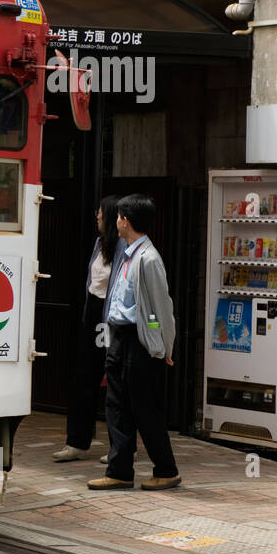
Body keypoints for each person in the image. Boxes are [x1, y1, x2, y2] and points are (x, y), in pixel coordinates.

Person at [88, 194, 180, 491]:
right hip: (119, 337)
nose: (115, 221)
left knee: (144, 409)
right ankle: (119, 470)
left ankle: (166, 470)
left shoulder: (148, 258)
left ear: (125, 221)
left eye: (118, 217)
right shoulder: (126, 253)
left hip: (138, 341)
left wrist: (161, 343)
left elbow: (159, 309)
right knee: (116, 406)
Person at [53, 196, 122, 462]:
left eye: (101, 212)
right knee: (83, 378)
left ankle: (121, 446)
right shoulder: (98, 243)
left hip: (111, 319)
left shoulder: (123, 248)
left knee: (115, 381)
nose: (97, 216)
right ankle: (77, 442)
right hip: (92, 315)